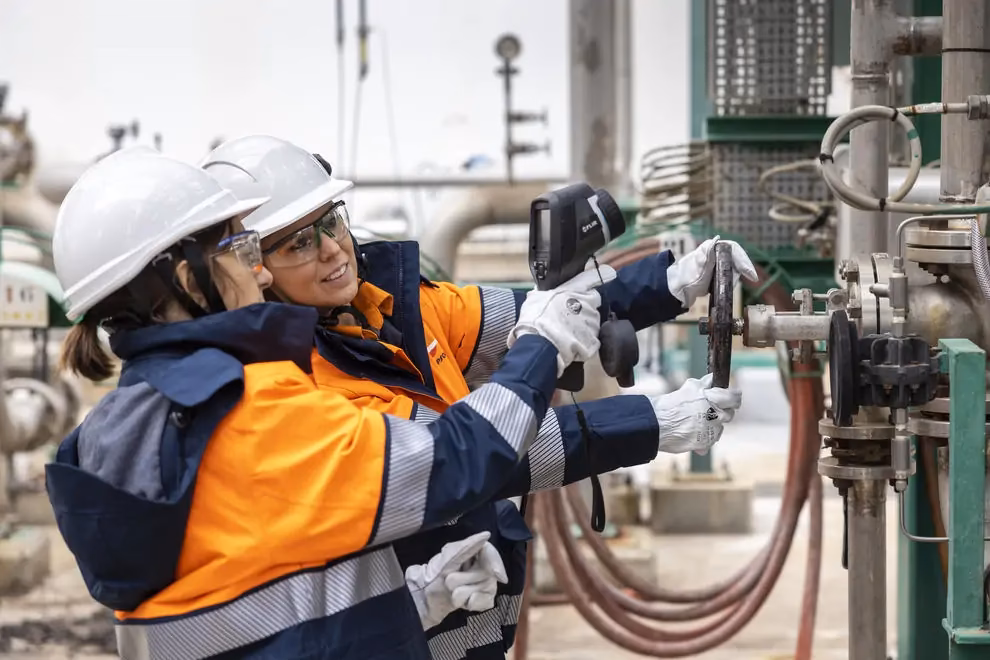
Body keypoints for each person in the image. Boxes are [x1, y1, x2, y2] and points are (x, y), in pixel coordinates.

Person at [45, 146, 611, 660]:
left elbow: (248, 623)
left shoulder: (116, 428)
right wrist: (542, 346)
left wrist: (408, 611)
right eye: (242, 249)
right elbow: (455, 462)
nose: (260, 269)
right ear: (190, 283)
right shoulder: (244, 409)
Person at [201, 135, 755, 659]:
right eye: (299, 243)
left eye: (331, 222)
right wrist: (652, 423)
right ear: (257, 269)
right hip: (402, 637)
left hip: (474, 622)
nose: (331, 249)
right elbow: (468, 455)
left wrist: (676, 283)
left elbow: (546, 315)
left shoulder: (396, 304)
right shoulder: (297, 383)